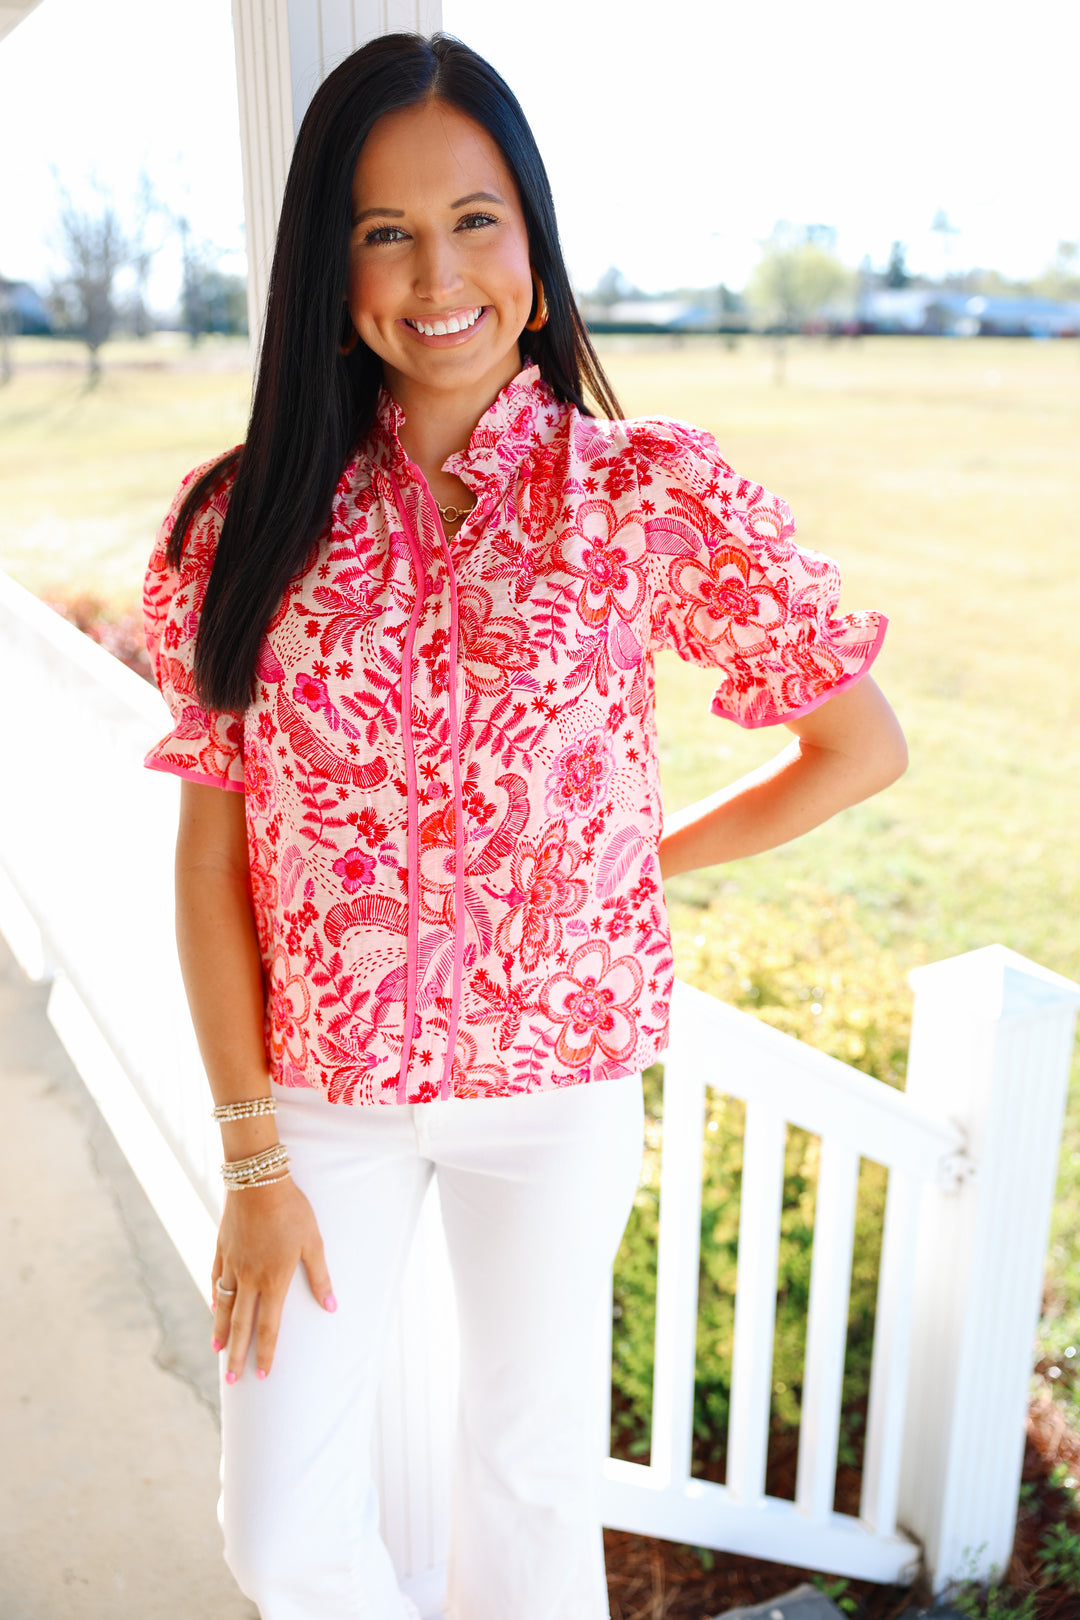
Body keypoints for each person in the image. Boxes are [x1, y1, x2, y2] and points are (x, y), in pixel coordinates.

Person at [142, 30, 907, 1620]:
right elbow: (216, 854)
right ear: (330, 271)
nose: (439, 272)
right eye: (385, 229)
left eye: (476, 219)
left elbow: (853, 745)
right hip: (315, 1100)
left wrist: (632, 861)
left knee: (531, 1489)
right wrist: (252, 1155)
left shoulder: (642, 495)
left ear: (538, 257)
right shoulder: (240, 524)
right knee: (279, 1532)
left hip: (553, 1090)